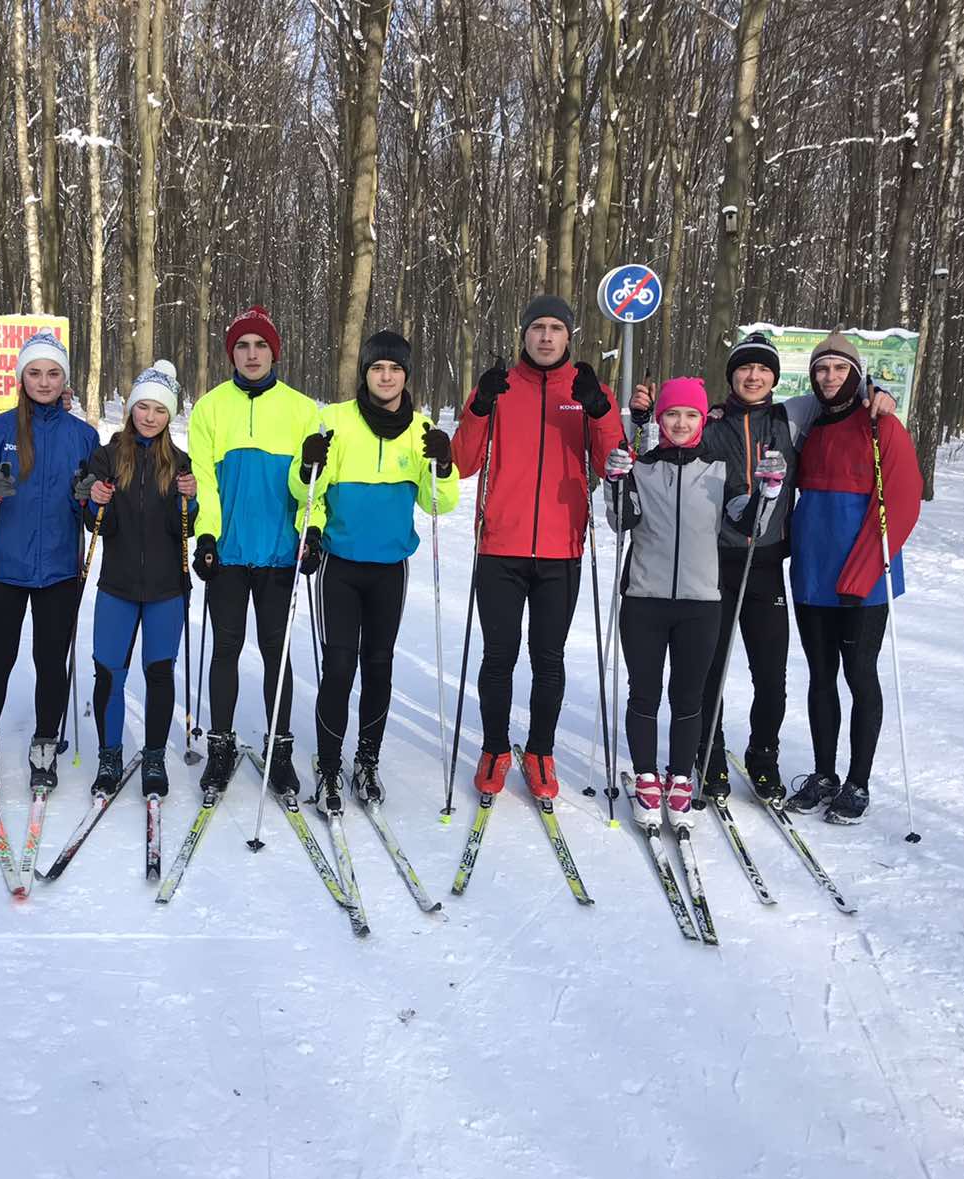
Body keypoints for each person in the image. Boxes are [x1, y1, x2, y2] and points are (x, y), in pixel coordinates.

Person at [629, 331, 897, 803]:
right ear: (731, 375)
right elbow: (667, 445)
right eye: (744, 368)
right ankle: (708, 754)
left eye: (762, 369)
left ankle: (763, 755)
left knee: (770, 674)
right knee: (708, 670)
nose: (753, 376)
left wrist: (878, 390)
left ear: (773, 377)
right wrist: (640, 420)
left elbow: (840, 390)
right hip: (713, 563)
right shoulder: (710, 424)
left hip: (767, 562)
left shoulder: (792, 416)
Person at [449, 294, 623, 801]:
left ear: (569, 336)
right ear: (523, 334)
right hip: (500, 547)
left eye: (556, 328)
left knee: (549, 659)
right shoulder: (499, 388)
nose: (546, 336)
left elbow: (613, 465)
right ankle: (495, 748)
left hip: (561, 549)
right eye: (537, 327)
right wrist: (479, 407)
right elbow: (462, 463)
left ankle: (540, 751)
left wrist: (599, 411)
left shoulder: (588, 391)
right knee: (498, 656)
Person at [289, 330, 460, 811]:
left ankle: (367, 759)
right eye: (377, 368)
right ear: (365, 374)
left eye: (395, 369)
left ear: (406, 376)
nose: (386, 377)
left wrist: (443, 465)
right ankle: (328, 765)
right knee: (340, 666)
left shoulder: (422, 429)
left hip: (389, 568)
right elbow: (307, 492)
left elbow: (439, 503)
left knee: (379, 664)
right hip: (340, 565)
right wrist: (307, 472)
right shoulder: (335, 420)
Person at [603, 379, 783, 829]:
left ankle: (681, 776)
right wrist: (615, 481)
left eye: (690, 415)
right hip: (644, 599)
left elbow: (748, 523)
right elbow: (623, 520)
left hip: (701, 602)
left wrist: (769, 490)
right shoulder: (642, 467)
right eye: (671, 414)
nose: (680, 423)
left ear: (702, 420)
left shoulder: (720, 470)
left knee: (689, 696)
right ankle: (647, 776)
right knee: (644, 692)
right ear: (659, 418)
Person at [782, 332, 921, 823]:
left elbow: (901, 503)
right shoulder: (810, 425)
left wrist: (861, 575)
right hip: (813, 574)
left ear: (857, 374)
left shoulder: (882, 424)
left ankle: (858, 781)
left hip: (864, 577)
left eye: (840, 368)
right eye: (822, 369)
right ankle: (824, 774)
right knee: (820, 677)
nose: (829, 377)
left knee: (860, 676)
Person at [0, 332, 98, 793]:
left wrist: (89, 499)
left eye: (53, 373)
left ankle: (45, 742)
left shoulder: (83, 435)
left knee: (51, 660)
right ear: (22, 377)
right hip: (4, 566)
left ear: (64, 379)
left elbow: (97, 511)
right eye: (34, 373)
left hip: (59, 567)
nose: (44, 381)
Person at [187, 305, 320, 795]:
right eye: (242, 345)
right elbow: (204, 480)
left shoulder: (303, 410)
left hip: (280, 553)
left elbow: (314, 485)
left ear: (274, 352)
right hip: (228, 553)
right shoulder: (210, 407)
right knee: (225, 649)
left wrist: (313, 530)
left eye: (261, 345)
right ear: (232, 353)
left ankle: (279, 749)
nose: (251, 354)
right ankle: (220, 744)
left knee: (275, 654)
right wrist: (205, 536)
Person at [77, 360, 197, 799]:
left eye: (160, 410)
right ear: (130, 409)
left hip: (166, 588)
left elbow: (183, 529)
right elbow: (99, 526)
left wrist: (190, 501)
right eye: (143, 407)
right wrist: (95, 501)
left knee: (159, 672)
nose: (150, 416)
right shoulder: (107, 457)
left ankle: (154, 757)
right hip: (118, 586)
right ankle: (109, 755)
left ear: (169, 416)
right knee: (109, 673)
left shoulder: (179, 462)